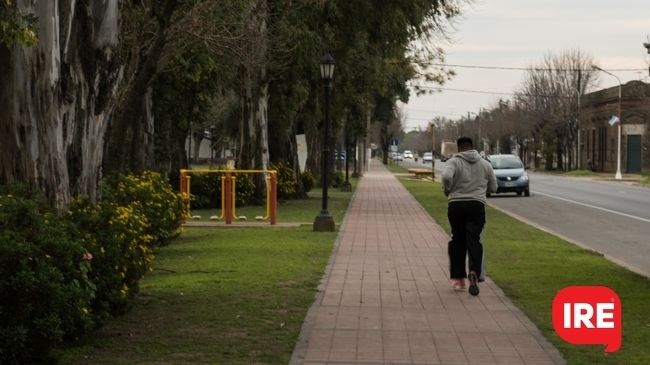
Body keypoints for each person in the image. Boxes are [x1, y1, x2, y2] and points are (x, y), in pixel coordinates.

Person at [441, 137, 497, 296]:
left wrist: (447, 189)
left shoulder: (454, 162)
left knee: (457, 239)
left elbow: (446, 177)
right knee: (474, 239)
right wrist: (482, 190)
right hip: (477, 205)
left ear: (459, 148)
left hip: (456, 205)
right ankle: (474, 271)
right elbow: (494, 186)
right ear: (473, 147)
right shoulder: (485, 164)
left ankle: (458, 278)